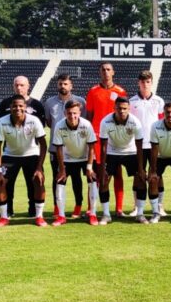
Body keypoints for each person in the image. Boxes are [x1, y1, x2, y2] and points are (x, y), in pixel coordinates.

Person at [0, 95, 48, 228]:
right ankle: (4, 217)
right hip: (10, 156)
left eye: (21, 106)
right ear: (10, 108)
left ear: (25, 107)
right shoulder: (2, 122)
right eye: (15, 106)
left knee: (38, 181)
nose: (18, 108)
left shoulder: (34, 120)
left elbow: (43, 145)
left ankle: (39, 216)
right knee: (0, 183)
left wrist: (39, 167)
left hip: (31, 155)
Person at [84, 62, 128, 217]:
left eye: (108, 69)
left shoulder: (120, 91)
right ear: (99, 72)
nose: (106, 72)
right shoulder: (93, 91)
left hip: (115, 138)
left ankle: (119, 208)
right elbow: (89, 117)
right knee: (97, 174)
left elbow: (125, 114)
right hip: (97, 139)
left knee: (117, 173)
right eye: (103, 69)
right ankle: (92, 208)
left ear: (113, 72)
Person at [97, 98, 148, 224]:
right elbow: (103, 146)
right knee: (104, 180)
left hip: (130, 152)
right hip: (112, 151)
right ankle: (106, 214)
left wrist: (141, 168)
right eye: (119, 108)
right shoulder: (105, 121)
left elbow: (139, 145)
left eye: (124, 108)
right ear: (114, 108)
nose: (122, 111)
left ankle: (140, 214)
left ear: (129, 109)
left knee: (141, 180)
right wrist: (102, 168)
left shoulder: (135, 122)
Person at [43, 73, 87, 218]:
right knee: (58, 178)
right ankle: (57, 208)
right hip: (56, 148)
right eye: (61, 83)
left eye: (66, 84)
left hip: (76, 149)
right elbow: (49, 123)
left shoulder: (80, 101)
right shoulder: (49, 102)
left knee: (76, 179)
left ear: (71, 85)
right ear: (57, 84)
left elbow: (84, 122)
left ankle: (78, 207)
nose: (63, 86)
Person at [50, 101, 99, 226]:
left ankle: (93, 214)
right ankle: (61, 216)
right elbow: (59, 148)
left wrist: (89, 167)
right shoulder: (59, 126)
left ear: (80, 113)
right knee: (60, 182)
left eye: (75, 113)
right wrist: (62, 169)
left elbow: (91, 145)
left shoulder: (86, 124)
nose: (72, 116)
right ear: (64, 113)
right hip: (67, 158)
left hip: (85, 157)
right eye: (69, 113)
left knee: (92, 181)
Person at [128, 70, 165, 216]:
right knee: (138, 175)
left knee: (157, 175)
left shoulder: (159, 101)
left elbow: (162, 122)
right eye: (142, 82)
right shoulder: (131, 102)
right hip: (138, 145)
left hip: (155, 144)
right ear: (139, 83)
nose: (145, 84)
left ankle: (160, 205)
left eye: (148, 82)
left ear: (151, 82)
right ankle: (137, 206)